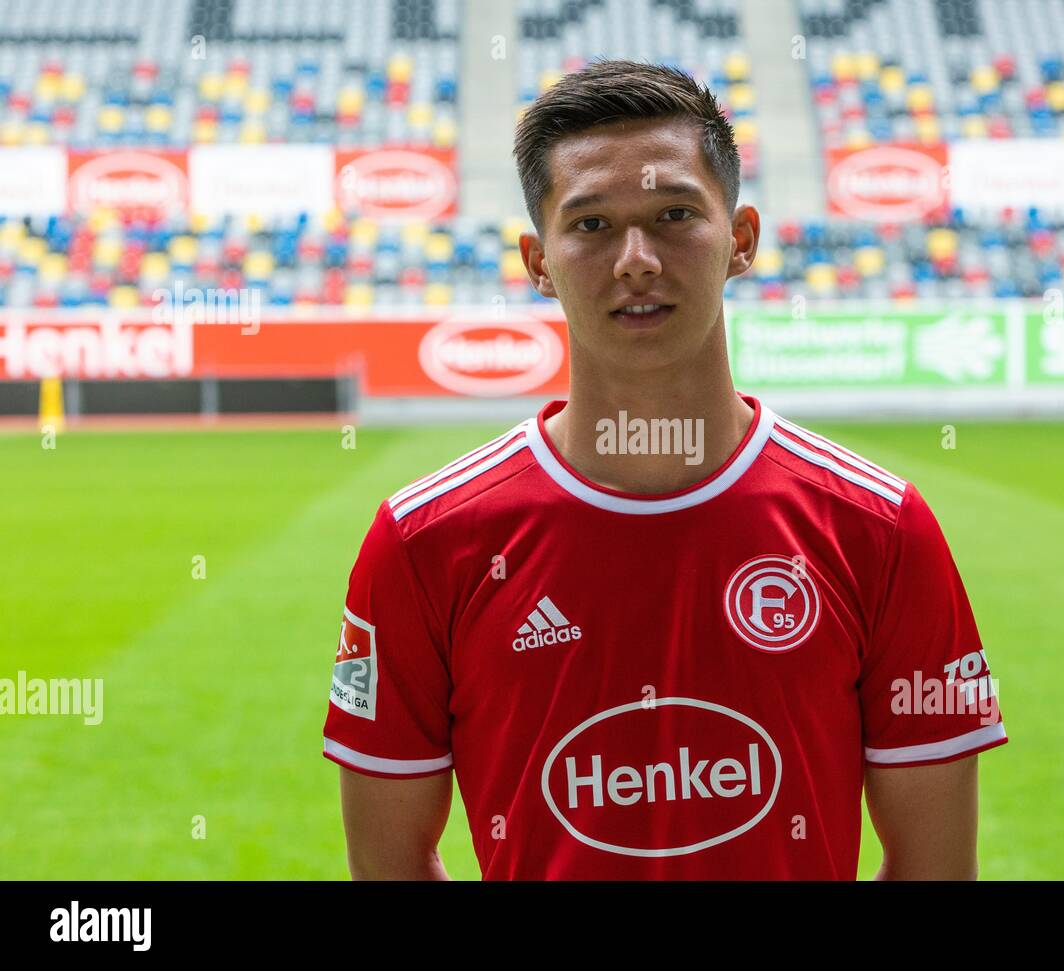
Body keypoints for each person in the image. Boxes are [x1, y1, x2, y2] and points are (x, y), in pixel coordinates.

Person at [323, 59, 1007, 880]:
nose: (637, 258)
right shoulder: (422, 541)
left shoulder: (881, 528)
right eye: (591, 225)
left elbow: (936, 869)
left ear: (741, 238)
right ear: (537, 261)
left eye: (675, 213)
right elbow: (389, 864)